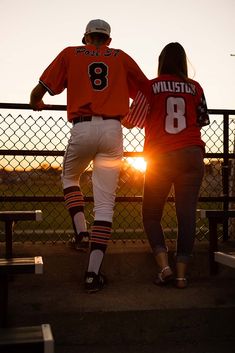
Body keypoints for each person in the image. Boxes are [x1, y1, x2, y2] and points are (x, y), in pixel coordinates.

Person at [29, 19, 147, 293]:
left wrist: (36, 100)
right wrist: (132, 117)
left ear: (86, 37)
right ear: (108, 39)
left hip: (82, 126)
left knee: (70, 177)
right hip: (112, 129)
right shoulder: (120, 57)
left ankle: (81, 232)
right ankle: (93, 274)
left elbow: (41, 89)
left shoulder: (71, 52)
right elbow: (145, 89)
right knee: (106, 204)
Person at [124, 42, 210, 288]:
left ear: (162, 61)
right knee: (186, 215)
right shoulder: (196, 87)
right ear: (184, 62)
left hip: (161, 156)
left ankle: (164, 267)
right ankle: (182, 274)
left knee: (151, 215)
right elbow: (201, 119)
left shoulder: (151, 86)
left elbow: (133, 121)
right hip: (192, 154)